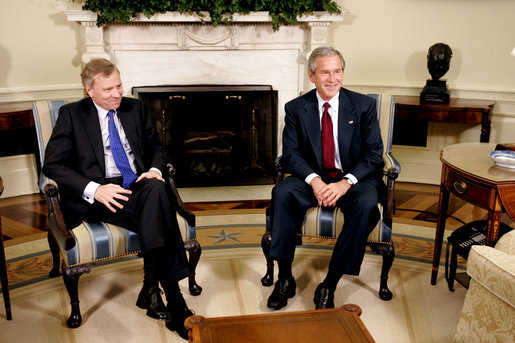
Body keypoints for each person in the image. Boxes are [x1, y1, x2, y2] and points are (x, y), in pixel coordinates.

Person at [43, 58, 193, 340]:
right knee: (160, 206)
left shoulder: (135, 107)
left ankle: (154, 289)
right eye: (108, 89)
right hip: (97, 194)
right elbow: (52, 165)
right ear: (90, 90)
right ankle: (172, 301)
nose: (117, 94)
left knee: (156, 190)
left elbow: (155, 148)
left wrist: (153, 170)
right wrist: (94, 189)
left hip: (136, 184)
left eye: (119, 85)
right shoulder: (72, 115)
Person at [266, 46, 385, 310]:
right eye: (325, 73)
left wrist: (345, 183)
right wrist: (315, 181)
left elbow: (374, 154)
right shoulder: (296, 108)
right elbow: (291, 155)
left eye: (337, 71)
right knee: (282, 193)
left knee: (367, 205)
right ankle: (285, 278)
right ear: (312, 76)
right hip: (314, 178)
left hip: (353, 179)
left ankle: (329, 283)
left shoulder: (364, 106)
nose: (332, 79)